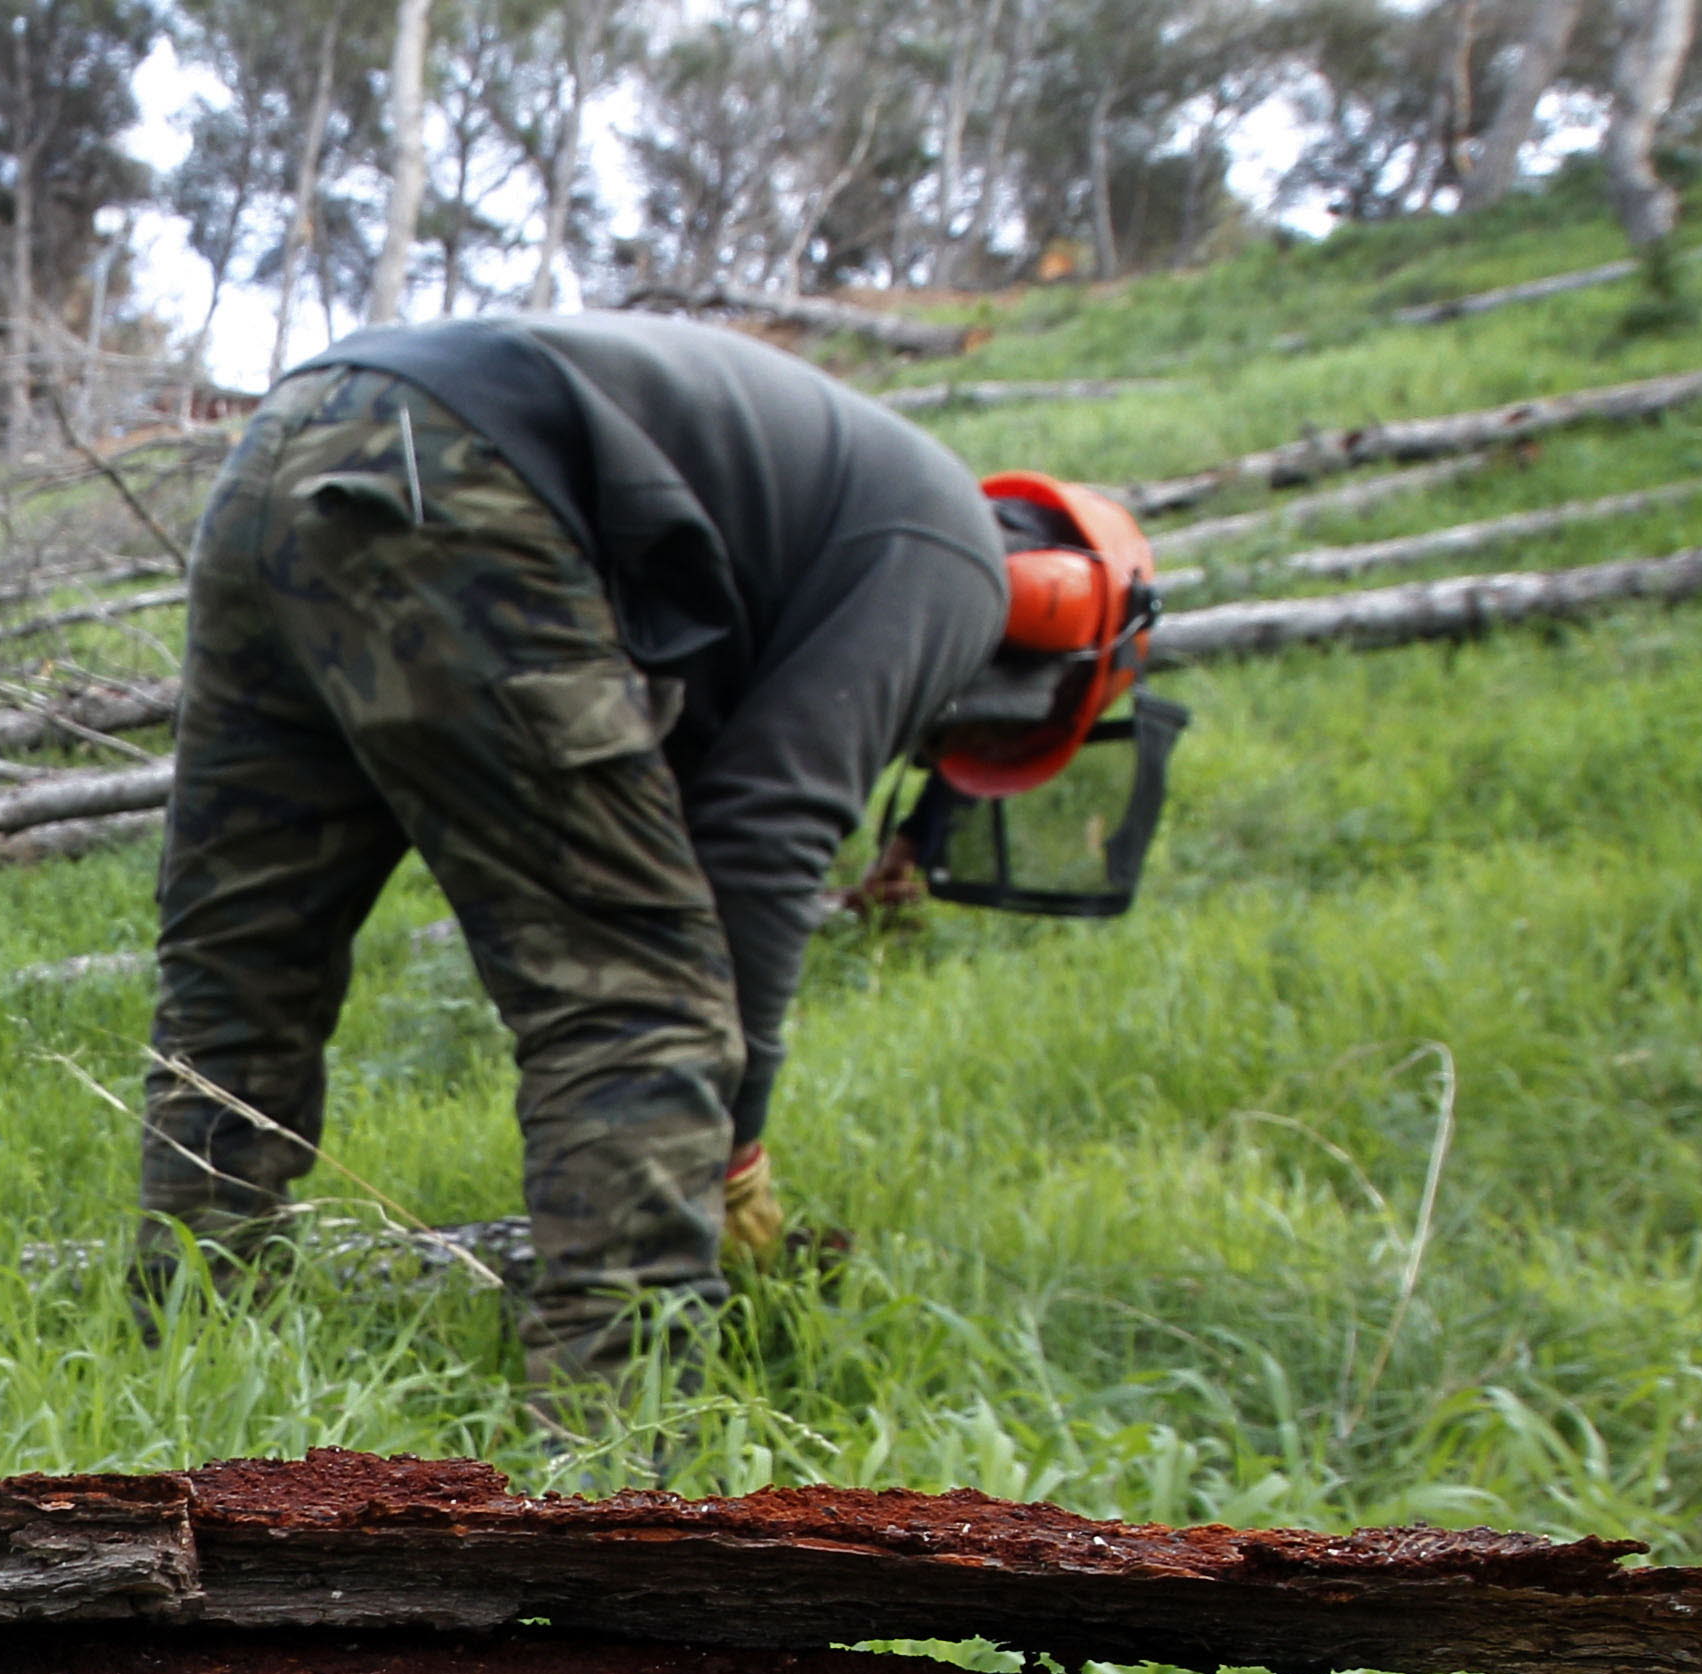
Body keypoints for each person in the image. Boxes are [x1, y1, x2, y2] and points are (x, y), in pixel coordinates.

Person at [130, 312, 1141, 1387]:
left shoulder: (849, 523)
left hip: (286, 444)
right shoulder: (959, 561)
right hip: (464, 467)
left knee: (240, 965)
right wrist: (728, 1149)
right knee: (633, 994)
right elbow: (761, 839)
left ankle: (188, 1365)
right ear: (1061, 637)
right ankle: (619, 1451)